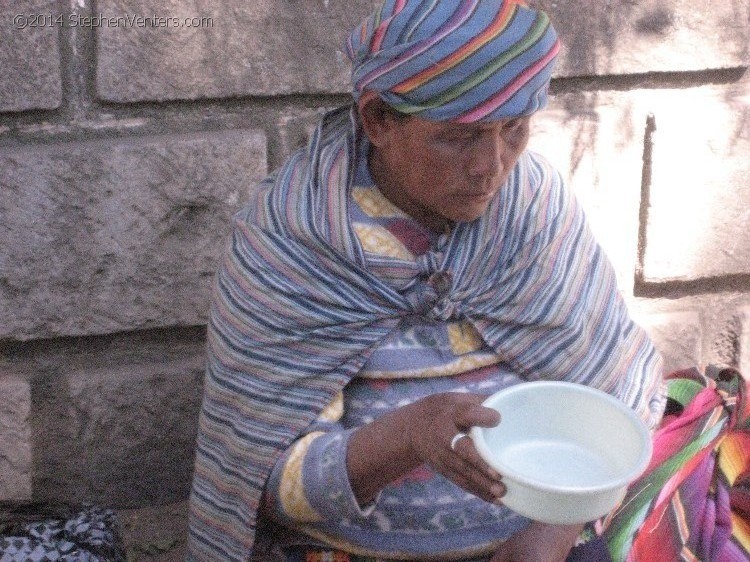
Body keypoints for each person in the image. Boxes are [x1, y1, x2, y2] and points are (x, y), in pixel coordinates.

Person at [186, 1, 668, 560]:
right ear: (378, 120)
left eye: (513, 130)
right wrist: (407, 438)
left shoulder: (532, 207)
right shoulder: (295, 242)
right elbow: (261, 485)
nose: (491, 166)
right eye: (459, 137)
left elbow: (614, 394)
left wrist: (553, 530)